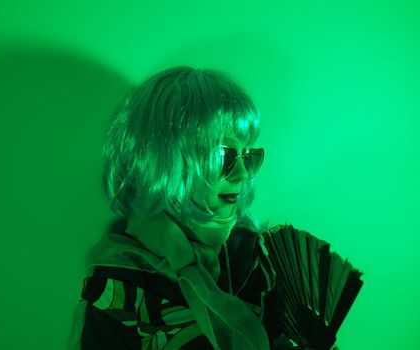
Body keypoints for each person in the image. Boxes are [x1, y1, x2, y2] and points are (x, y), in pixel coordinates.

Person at [66, 66, 307, 349]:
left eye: (247, 154)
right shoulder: (117, 285)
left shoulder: (250, 257)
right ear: (168, 161)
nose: (242, 173)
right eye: (223, 154)